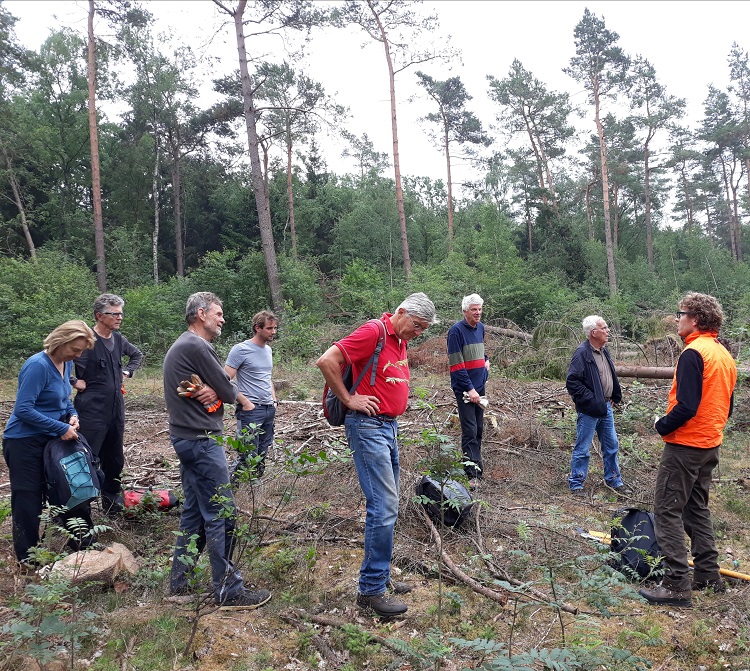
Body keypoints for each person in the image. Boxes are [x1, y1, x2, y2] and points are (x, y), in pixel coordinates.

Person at [316, 292, 438, 618]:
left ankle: (381, 576)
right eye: (416, 325)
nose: (418, 332)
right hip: (368, 427)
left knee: (390, 504)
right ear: (401, 313)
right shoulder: (374, 332)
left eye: (423, 329)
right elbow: (327, 360)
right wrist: (349, 399)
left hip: (388, 426)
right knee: (383, 507)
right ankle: (370, 592)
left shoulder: (399, 339)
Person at [164, 292, 271, 609]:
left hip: (187, 438)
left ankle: (179, 584)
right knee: (222, 514)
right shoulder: (196, 345)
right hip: (199, 441)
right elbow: (226, 390)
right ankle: (228, 590)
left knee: (194, 513)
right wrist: (215, 390)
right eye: (219, 313)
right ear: (201, 313)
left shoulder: (185, 345)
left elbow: (209, 391)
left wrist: (210, 390)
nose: (222, 319)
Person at [640, 293, 737, 608]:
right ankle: (709, 576)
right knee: (696, 509)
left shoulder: (694, 354)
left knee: (667, 512)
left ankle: (676, 586)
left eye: (680, 313)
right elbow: (728, 406)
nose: (676, 318)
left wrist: (661, 425)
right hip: (710, 445)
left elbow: (687, 406)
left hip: (685, 446)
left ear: (695, 319)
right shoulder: (723, 354)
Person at [3, 320, 96, 565]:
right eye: (75, 349)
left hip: (51, 438)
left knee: (69, 488)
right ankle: (28, 559)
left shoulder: (66, 363)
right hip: (24, 441)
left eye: (81, 351)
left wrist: (72, 414)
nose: (78, 355)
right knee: (28, 499)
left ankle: (82, 546)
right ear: (60, 341)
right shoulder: (37, 366)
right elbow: (23, 409)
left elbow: (63, 399)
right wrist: (61, 427)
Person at [71, 294, 143, 513]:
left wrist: (127, 371)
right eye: (115, 313)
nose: (120, 317)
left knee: (114, 461)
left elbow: (137, 355)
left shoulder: (119, 339)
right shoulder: (86, 339)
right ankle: (78, 511)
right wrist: (73, 381)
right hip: (91, 411)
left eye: (121, 313)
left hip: (115, 411)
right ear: (99, 316)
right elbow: (57, 359)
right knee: (86, 459)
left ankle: (112, 507)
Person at [565, 315, 629, 496]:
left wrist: (613, 395)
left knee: (611, 445)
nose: (608, 331)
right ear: (594, 332)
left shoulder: (603, 350)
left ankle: (614, 480)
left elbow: (608, 375)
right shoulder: (582, 354)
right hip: (589, 410)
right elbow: (572, 383)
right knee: (583, 448)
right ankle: (576, 484)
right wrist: (593, 400)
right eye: (605, 328)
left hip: (605, 408)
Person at [224, 310, 279, 480]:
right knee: (247, 454)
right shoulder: (241, 349)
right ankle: (231, 492)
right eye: (269, 328)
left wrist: (274, 400)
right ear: (257, 328)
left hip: (268, 408)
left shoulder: (268, 350)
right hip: (250, 410)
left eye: (275, 328)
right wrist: (245, 402)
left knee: (262, 452)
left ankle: (254, 487)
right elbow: (224, 379)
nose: (273, 332)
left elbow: (267, 377)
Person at [447, 293, 490, 482]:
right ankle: (471, 474)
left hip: (480, 387)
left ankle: (476, 467)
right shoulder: (456, 331)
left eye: (480, 309)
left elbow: (480, 351)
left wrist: (486, 362)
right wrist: (469, 389)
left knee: (479, 428)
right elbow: (456, 365)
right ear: (465, 311)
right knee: (470, 430)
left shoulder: (480, 328)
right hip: (465, 389)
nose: (478, 313)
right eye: (474, 309)